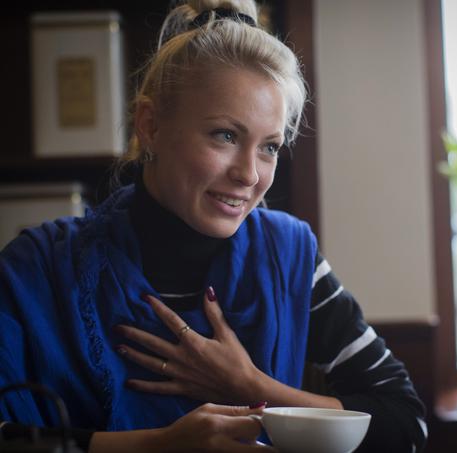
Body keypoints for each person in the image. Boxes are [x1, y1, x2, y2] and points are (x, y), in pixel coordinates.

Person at [0, 1, 427, 452]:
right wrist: (159, 447)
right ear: (151, 126)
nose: (249, 174)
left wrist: (251, 386)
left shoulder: (292, 256)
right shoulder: (37, 266)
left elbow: (405, 424)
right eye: (225, 135)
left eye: (269, 148)